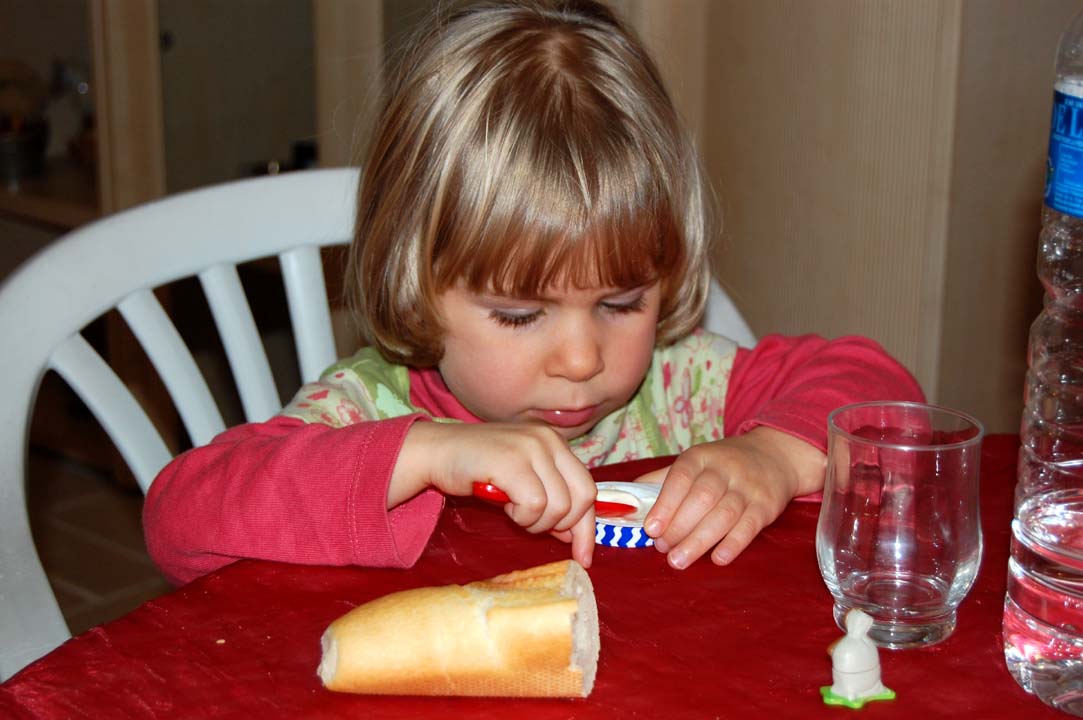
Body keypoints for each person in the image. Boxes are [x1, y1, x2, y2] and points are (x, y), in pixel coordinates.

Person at [143, 0, 923, 586]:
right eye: (519, 314)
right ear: (415, 283)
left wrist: (769, 456)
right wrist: (426, 454)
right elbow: (179, 519)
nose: (581, 359)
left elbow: (884, 404)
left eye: (621, 303)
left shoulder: (684, 383)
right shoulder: (368, 409)